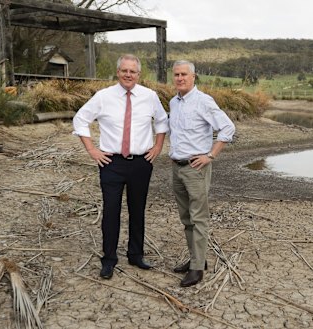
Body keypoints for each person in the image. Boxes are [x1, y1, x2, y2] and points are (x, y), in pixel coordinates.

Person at [72, 54, 169, 279]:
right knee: (111, 211)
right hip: (111, 163)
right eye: (124, 70)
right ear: (118, 72)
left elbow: (162, 121)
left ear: (139, 74)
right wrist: (92, 150)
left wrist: (158, 147)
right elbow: (80, 119)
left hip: (141, 162)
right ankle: (109, 259)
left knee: (138, 210)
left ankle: (136, 255)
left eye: (132, 71)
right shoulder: (103, 97)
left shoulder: (150, 96)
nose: (128, 75)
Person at [168, 60, 235, 287]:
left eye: (184, 74)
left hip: (196, 169)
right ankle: (197, 259)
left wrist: (211, 155)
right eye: (176, 74)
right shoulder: (173, 102)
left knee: (198, 218)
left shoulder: (203, 101)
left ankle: (197, 269)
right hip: (177, 168)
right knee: (186, 218)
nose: (180, 78)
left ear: (193, 76)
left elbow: (227, 128)